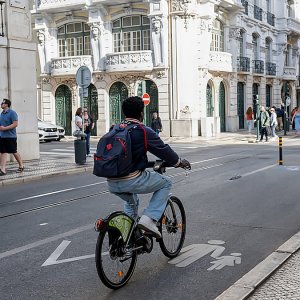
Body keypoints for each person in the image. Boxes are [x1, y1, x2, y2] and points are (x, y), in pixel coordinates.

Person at [106, 96, 191, 238]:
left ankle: (129, 237)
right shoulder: (143, 130)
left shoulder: (114, 129)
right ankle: (149, 219)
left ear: (124, 113)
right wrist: (178, 162)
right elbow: (163, 150)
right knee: (166, 183)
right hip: (132, 179)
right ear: (141, 113)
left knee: (132, 202)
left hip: (112, 182)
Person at [0, 99, 24, 176]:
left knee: (14, 151)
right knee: (3, 152)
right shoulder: (2, 113)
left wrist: (4, 128)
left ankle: (21, 165)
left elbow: (15, 124)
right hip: (2, 136)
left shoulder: (12, 113)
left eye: (2, 103)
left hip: (11, 136)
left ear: (7, 104)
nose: (1, 104)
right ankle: (2, 169)